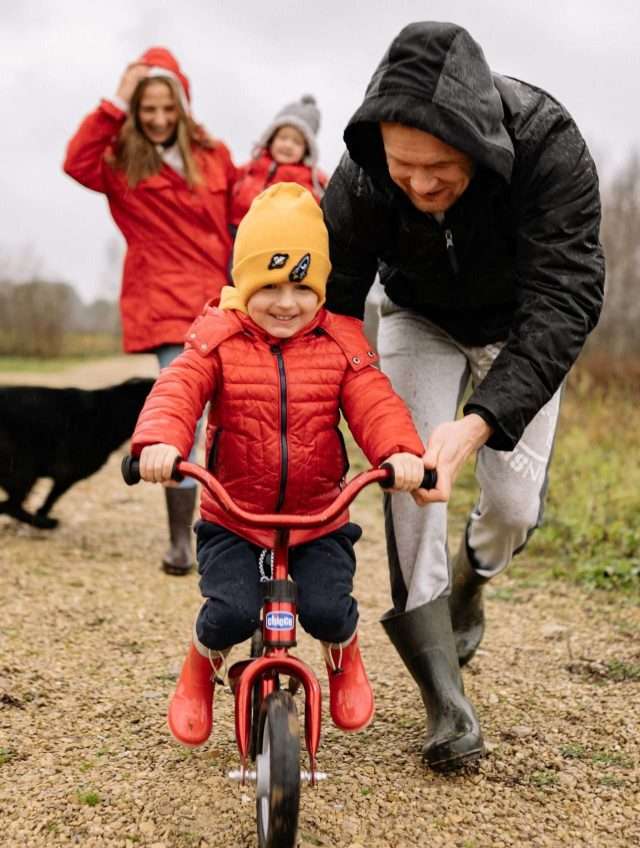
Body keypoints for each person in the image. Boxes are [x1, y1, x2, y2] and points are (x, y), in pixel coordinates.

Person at [322, 21, 605, 771]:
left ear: (479, 143)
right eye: (403, 166)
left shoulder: (550, 147)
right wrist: (360, 404)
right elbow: (336, 302)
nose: (419, 184)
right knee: (412, 479)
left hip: (519, 327)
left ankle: (473, 581)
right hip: (417, 316)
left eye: (441, 167)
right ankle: (443, 696)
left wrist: (480, 422)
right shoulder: (359, 176)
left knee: (511, 507)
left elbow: (566, 299)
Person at [129, 183, 429, 747]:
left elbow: (375, 402)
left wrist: (400, 454)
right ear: (244, 284)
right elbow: (178, 390)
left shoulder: (341, 343)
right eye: (269, 286)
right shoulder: (218, 337)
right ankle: (200, 665)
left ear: (320, 288)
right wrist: (161, 443)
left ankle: (343, 655)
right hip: (234, 518)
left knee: (328, 609)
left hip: (319, 518)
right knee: (230, 612)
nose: (286, 303)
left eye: (301, 286)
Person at [64, 47, 237, 576]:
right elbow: (75, 161)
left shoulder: (215, 156)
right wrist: (116, 100)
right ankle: (181, 541)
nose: (158, 119)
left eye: (167, 108)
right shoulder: (120, 163)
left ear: (182, 108)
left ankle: (232, 529)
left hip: (222, 296)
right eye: (147, 109)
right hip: (166, 303)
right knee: (186, 412)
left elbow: (239, 220)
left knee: (234, 416)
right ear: (136, 112)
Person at [230, 94, 327, 230]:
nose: (288, 145)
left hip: (276, 243)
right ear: (271, 139)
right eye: (283, 137)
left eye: (297, 142)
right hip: (236, 235)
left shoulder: (311, 183)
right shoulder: (250, 168)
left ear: (306, 150)